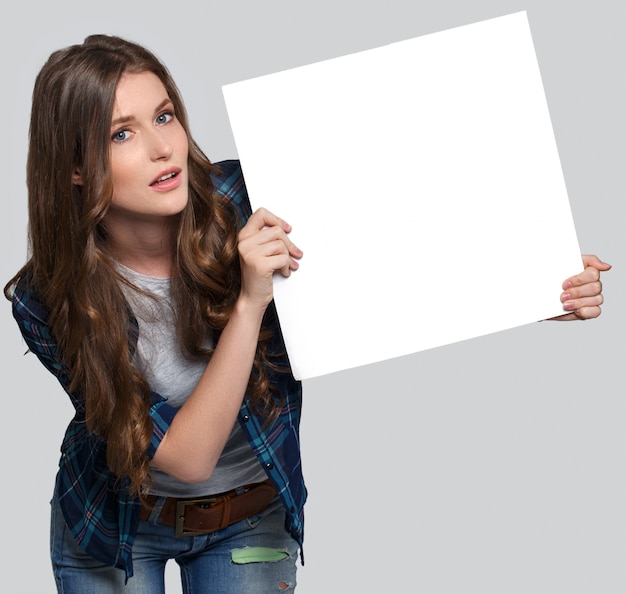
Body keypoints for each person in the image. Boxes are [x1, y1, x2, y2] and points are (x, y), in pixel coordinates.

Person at [4, 34, 611, 593]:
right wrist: (249, 301)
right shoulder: (47, 297)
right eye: (122, 134)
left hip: (250, 513)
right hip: (111, 526)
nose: (164, 146)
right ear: (76, 168)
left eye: (165, 115)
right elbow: (186, 459)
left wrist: (531, 285)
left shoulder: (248, 199)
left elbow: (397, 247)